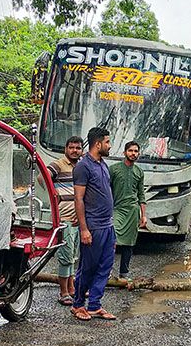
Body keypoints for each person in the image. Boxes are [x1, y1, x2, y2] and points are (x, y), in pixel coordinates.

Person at [71, 127, 118, 321]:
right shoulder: (83, 166)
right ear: (98, 144)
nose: (109, 145)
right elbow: (79, 199)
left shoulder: (103, 165)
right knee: (88, 267)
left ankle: (95, 305)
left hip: (107, 225)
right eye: (107, 142)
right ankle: (78, 304)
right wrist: (84, 229)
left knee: (105, 266)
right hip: (93, 226)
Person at [48, 135, 84, 306]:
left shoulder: (81, 166)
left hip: (77, 220)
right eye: (71, 148)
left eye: (78, 148)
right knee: (65, 255)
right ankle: (63, 292)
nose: (74, 151)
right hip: (64, 218)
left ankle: (71, 287)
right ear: (66, 149)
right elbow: (43, 179)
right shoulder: (58, 164)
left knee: (72, 255)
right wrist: (55, 197)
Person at [110, 140, 147, 280]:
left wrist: (144, 216)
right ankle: (106, 272)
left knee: (129, 244)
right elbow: (106, 190)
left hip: (133, 211)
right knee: (111, 240)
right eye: (130, 151)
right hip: (116, 209)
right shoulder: (113, 169)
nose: (133, 153)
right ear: (124, 152)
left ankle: (124, 273)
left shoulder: (139, 172)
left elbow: (141, 195)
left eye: (136, 151)